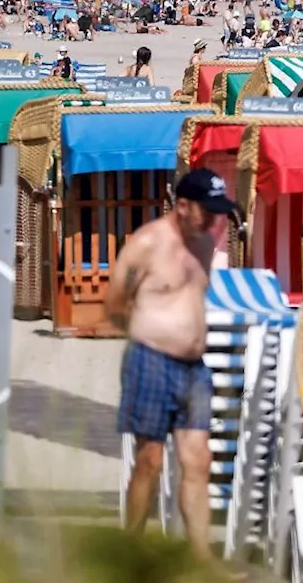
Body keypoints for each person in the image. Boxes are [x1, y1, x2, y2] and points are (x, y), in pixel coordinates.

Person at [107, 168, 236, 562]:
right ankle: (131, 550)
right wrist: (150, 334)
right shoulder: (148, 243)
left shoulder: (204, 244)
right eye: (207, 211)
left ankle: (201, 562)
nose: (215, 220)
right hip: (152, 359)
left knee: (198, 459)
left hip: (194, 367)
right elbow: (113, 303)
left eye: (219, 212)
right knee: (150, 459)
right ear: (182, 206)